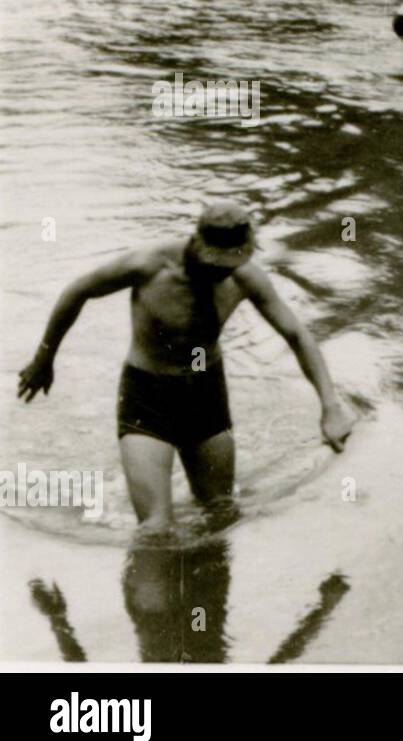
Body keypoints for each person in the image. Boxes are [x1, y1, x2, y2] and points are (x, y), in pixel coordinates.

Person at [16, 201, 355, 531]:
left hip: (205, 394)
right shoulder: (148, 265)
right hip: (147, 396)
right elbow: (77, 291)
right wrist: (44, 359)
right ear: (197, 243)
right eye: (214, 266)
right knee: (157, 527)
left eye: (228, 267)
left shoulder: (243, 277)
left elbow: (296, 333)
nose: (221, 274)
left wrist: (330, 406)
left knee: (221, 512)